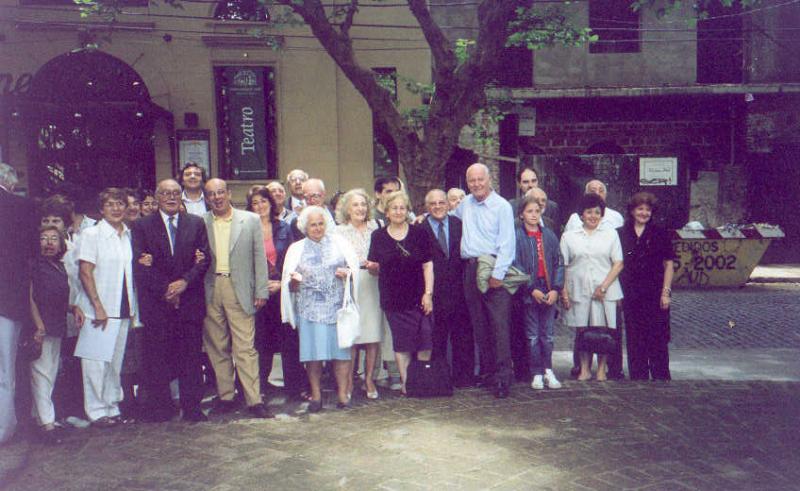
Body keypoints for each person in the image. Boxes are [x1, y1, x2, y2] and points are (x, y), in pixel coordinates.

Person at [132, 179, 211, 423]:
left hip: (189, 301)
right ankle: (161, 408)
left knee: (190, 357)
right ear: (157, 197)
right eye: (165, 193)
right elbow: (140, 263)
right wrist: (167, 290)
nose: (171, 197)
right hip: (157, 303)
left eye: (176, 193)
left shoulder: (196, 224)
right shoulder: (142, 226)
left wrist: (184, 283)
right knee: (158, 357)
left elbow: (204, 259)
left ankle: (192, 408)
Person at [202, 178, 272, 418]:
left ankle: (254, 399)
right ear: (207, 198)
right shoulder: (201, 222)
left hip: (240, 288)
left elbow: (259, 257)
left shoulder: (249, 220)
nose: (217, 197)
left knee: (245, 347)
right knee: (217, 346)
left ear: (229, 193)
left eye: (221, 192)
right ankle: (226, 396)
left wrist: (261, 290)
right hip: (212, 287)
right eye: (211, 194)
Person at [281, 206, 359, 412]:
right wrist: (294, 282)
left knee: (340, 353)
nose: (317, 228)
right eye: (312, 224)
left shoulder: (340, 244)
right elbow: (289, 285)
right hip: (309, 310)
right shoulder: (296, 248)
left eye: (320, 223)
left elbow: (354, 270)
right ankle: (316, 397)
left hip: (336, 308)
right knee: (313, 355)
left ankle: (343, 395)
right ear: (305, 227)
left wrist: (347, 273)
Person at [74, 188, 138, 427]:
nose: (116, 208)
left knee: (114, 363)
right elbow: (85, 271)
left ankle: (112, 407)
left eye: (120, 203)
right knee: (95, 363)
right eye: (110, 204)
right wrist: (97, 306)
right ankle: (96, 411)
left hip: (122, 308)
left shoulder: (127, 235)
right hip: (97, 309)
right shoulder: (92, 234)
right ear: (101, 209)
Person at [454, 163, 516, 398]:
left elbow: (507, 244)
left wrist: (497, 275)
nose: (477, 184)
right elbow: (446, 215)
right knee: (480, 326)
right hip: (471, 270)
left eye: (480, 179)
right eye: (472, 181)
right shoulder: (465, 204)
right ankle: (489, 374)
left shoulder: (502, 207)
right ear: (467, 183)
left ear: (489, 180)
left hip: (493, 268)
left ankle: (503, 378)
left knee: (499, 327)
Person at [368, 192, 434, 395]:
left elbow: (428, 265)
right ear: (386, 212)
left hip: (419, 296)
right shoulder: (378, 236)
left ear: (407, 211)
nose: (398, 211)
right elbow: (375, 266)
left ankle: (420, 379)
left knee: (425, 338)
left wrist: (428, 293)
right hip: (393, 298)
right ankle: (407, 384)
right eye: (394, 208)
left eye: (402, 208)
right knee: (402, 342)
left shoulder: (419, 233)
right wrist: (371, 267)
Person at [245, 187, 306, 398]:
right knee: (261, 343)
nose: (260, 206)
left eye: (263, 201)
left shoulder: (284, 228)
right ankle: (259, 388)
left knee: (289, 340)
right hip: (258, 294)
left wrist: (281, 283)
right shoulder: (245, 229)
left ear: (271, 203)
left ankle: (295, 389)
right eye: (255, 203)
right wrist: (261, 286)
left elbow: (293, 258)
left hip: (282, 293)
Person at [560, 194, 624, 381]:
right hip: (578, 290)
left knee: (603, 331)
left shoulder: (611, 234)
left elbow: (618, 263)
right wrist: (564, 292)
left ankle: (602, 369)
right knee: (583, 331)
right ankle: (585, 368)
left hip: (605, 291)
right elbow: (562, 265)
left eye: (597, 212)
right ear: (581, 215)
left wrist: (603, 287)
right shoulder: (569, 236)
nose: (593, 216)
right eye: (589, 212)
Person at [39, 195, 90, 428]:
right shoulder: (40, 250)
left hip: (72, 312)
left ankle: (70, 410)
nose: (51, 224)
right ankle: (50, 413)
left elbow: (79, 281)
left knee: (70, 364)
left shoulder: (73, 248)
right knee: (49, 367)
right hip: (49, 317)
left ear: (66, 224)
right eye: (47, 220)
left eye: (56, 221)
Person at [418, 189, 474, 387]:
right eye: (433, 204)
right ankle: (439, 378)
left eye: (441, 202)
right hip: (435, 291)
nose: (437, 206)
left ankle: (463, 378)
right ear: (427, 207)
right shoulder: (419, 228)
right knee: (437, 337)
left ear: (448, 204)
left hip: (460, 290)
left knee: (462, 336)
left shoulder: (460, 225)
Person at [1, 163, 39, 444]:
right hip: (8, 301)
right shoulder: (22, 207)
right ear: (10, 183)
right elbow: (31, 255)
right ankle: (3, 427)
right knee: (5, 367)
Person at [29, 225, 78, 443]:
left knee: (50, 372)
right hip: (40, 328)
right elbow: (29, 298)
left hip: (57, 327)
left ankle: (39, 418)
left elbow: (58, 298)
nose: (49, 243)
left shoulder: (58, 267)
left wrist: (73, 308)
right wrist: (38, 326)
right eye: (44, 238)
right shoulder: (33, 266)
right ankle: (47, 425)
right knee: (42, 374)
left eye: (53, 239)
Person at [618, 192, 675, 381]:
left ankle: (661, 377)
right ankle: (638, 378)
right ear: (632, 211)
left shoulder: (660, 233)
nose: (644, 213)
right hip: (631, 294)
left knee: (658, 337)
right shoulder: (620, 233)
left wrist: (666, 292)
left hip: (655, 293)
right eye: (640, 209)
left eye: (647, 210)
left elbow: (669, 265)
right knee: (635, 337)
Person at [334, 189, 384, 399]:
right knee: (352, 335)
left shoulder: (377, 226)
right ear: (346, 208)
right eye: (355, 204)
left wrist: (378, 266)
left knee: (372, 335)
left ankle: (369, 379)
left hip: (373, 282)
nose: (360, 208)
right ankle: (348, 382)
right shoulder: (338, 231)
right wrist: (341, 271)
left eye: (363, 204)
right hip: (350, 285)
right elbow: (334, 260)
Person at [513, 196, 564, 390]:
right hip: (529, 291)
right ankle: (535, 372)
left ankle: (548, 370)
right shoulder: (518, 236)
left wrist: (556, 289)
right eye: (529, 211)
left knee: (548, 334)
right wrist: (530, 287)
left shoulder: (549, 235)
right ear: (521, 214)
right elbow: (515, 264)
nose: (533, 215)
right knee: (533, 335)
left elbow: (559, 262)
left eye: (536, 211)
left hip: (548, 288)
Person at [510, 167, 561, 231]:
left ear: (538, 181)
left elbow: (556, 235)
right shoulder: (512, 206)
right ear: (519, 184)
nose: (530, 185)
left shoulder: (552, 207)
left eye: (533, 181)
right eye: (526, 182)